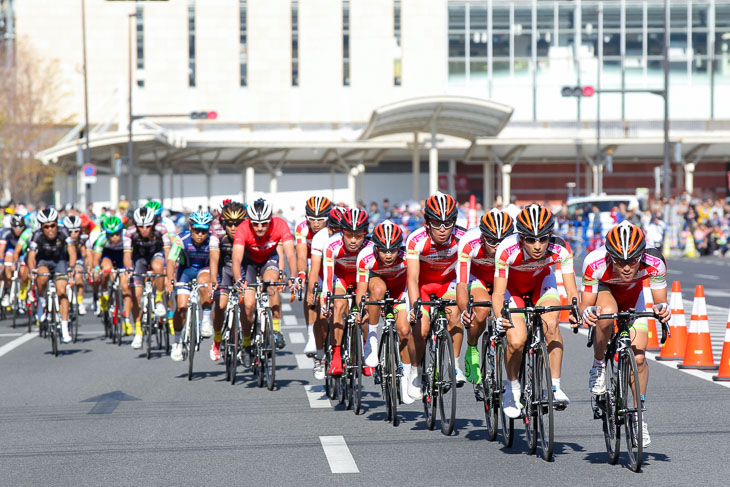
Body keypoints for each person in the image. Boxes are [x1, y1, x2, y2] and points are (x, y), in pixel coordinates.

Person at [579, 220, 671, 448]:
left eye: (632, 261)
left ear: (641, 255)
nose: (627, 267)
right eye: (620, 262)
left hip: (634, 298)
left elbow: (660, 302)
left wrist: (662, 310)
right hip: (606, 292)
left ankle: (640, 417)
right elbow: (586, 305)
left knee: (639, 359)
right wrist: (588, 313)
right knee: (607, 314)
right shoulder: (595, 262)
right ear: (610, 256)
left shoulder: (654, 261)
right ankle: (599, 364)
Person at [491, 204, 579, 418]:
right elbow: (497, 293)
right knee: (517, 341)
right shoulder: (507, 249)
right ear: (521, 238)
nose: (538, 245)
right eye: (530, 240)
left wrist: (576, 310)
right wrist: (499, 317)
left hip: (542, 285)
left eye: (543, 239)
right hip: (513, 291)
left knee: (551, 325)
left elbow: (571, 288)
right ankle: (512, 391)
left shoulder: (561, 248)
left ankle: (555, 387)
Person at [405, 192, 466, 400]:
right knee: (420, 329)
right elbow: (412, 278)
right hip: (422, 286)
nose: (442, 229)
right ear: (427, 222)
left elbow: (467, 275)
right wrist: (415, 307)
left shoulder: (462, 238)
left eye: (447, 223)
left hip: (447, 283)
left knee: (455, 314)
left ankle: (455, 365)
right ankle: (416, 371)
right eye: (436, 223)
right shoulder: (416, 239)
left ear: (454, 222)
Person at [232, 198, 299, 363]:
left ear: (270, 220)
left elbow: (291, 254)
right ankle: (246, 344)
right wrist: (239, 279)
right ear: (250, 222)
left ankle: (276, 329)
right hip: (248, 262)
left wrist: (294, 276)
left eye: (264, 223)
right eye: (256, 224)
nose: (260, 227)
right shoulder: (243, 229)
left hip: (269, 259)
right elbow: (236, 259)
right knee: (248, 305)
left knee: (271, 284)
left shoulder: (280, 225)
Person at [355, 220, 411, 402]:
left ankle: (406, 378)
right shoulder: (365, 256)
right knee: (377, 290)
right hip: (377, 283)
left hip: (399, 289)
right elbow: (361, 291)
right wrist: (361, 308)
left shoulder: (407, 256)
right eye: (384, 251)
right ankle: (371, 338)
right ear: (376, 247)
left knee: (404, 331)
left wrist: (411, 308)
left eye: (392, 250)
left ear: (399, 247)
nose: (388, 255)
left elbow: (413, 284)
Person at [456, 209, 514, 384]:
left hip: (504, 278)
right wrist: (464, 311)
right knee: (481, 308)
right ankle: (472, 347)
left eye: (501, 241)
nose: (497, 247)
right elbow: (461, 283)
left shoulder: (515, 244)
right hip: (478, 278)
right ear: (482, 237)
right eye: (491, 241)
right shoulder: (469, 242)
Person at [320, 208, 371, 376]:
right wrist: (326, 298)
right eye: (349, 235)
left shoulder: (371, 246)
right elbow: (327, 278)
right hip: (341, 278)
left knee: (366, 311)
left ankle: (365, 351)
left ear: (365, 233)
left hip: (361, 281)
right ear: (342, 232)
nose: (354, 240)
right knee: (339, 305)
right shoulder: (332, 245)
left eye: (359, 235)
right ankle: (336, 356)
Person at [166, 211, 215, 362]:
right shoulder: (181, 239)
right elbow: (171, 260)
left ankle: (206, 319)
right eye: (196, 230)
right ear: (190, 228)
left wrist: (214, 280)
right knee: (180, 308)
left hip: (204, 270)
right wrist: (170, 279)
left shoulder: (213, 240)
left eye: (204, 230)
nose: (200, 234)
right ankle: (177, 342)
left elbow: (215, 261)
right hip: (185, 272)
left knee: (205, 281)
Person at [27, 208, 77, 343]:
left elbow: (72, 252)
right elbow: (31, 256)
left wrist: (71, 268)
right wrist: (33, 271)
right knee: (42, 276)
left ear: (56, 224)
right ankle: (42, 302)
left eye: (52, 225)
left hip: (60, 260)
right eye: (46, 226)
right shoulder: (36, 235)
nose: (50, 229)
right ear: (41, 227)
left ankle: (65, 328)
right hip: (43, 260)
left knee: (62, 291)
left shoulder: (64, 232)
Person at [124, 207, 171, 349]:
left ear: (153, 223)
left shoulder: (161, 229)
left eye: (148, 226)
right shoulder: (130, 232)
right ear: (136, 225)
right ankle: (138, 332)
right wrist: (129, 270)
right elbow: (127, 255)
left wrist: (169, 273)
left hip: (156, 255)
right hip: (139, 259)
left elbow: (168, 253)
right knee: (136, 295)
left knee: (159, 266)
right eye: (141, 226)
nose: (144, 229)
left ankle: (158, 299)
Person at [308, 206, 344, 378]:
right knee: (321, 315)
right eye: (335, 229)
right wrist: (312, 291)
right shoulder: (320, 237)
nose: (338, 234)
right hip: (325, 275)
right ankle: (320, 355)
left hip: (344, 276)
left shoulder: (352, 237)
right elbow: (314, 269)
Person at [209, 201, 247, 361]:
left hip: (243, 269)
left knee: (247, 304)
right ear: (223, 222)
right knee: (221, 304)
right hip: (224, 269)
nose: (233, 228)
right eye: (229, 224)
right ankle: (217, 339)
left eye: (237, 224)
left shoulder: (248, 230)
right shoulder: (216, 231)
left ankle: (247, 341)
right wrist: (213, 279)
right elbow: (213, 257)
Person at [295, 196, 332, 357]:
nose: (316, 223)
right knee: (310, 284)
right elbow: (302, 257)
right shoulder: (302, 227)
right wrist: (302, 275)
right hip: (312, 258)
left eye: (321, 219)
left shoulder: (333, 228)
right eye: (312, 219)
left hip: (329, 259)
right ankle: (311, 333)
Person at [91, 216, 133, 334]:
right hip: (108, 255)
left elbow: (129, 257)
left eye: (116, 234)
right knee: (106, 269)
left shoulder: (127, 237)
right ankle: (104, 293)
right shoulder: (101, 239)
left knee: (125, 287)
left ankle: (127, 320)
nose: (114, 237)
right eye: (111, 235)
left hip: (123, 255)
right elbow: (96, 259)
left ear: (121, 231)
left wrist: (129, 270)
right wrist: (97, 268)